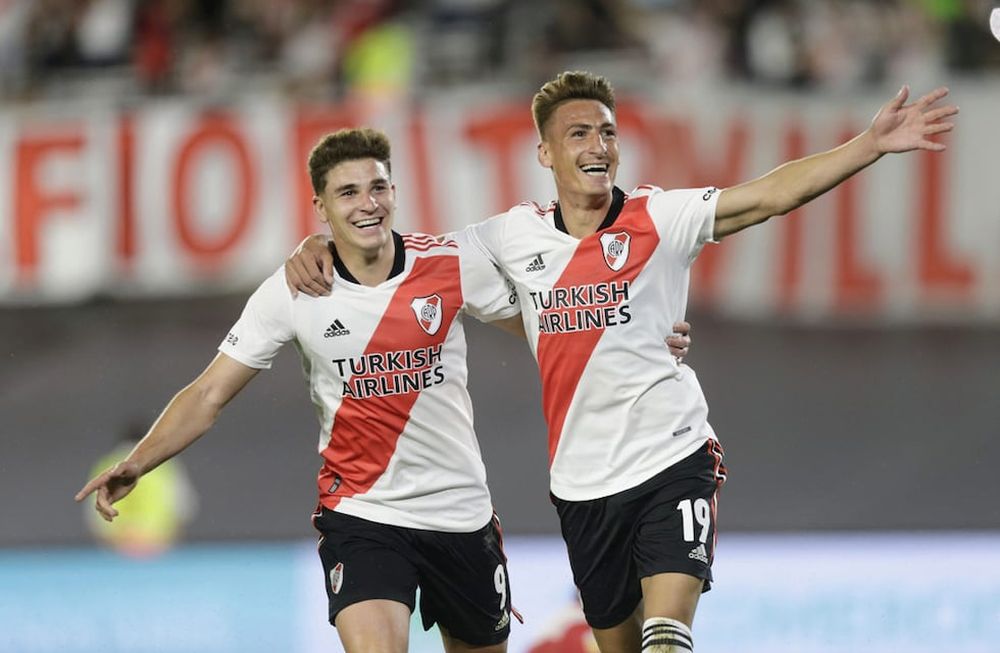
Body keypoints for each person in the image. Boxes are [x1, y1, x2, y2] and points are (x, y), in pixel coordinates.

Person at [285, 71, 957, 653]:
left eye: (606, 131)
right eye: (578, 133)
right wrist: (321, 243)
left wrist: (868, 146)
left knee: (667, 636)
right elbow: (396, 257)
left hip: (673, 455)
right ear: (545, 151)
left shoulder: (661, 216)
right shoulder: (508, 239)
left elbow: (766, 195)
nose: (597, 144)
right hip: (584, 488)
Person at [76, 128, 527, 653]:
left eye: (378, 188)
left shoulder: (448, 264)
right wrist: (138, 462)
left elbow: (547, 331)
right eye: (348, 192)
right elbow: (209, 394)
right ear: (320, 206)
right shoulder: (294, 289)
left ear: (395, 192)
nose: (368, 204)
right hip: (364, 517)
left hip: (461, 515)